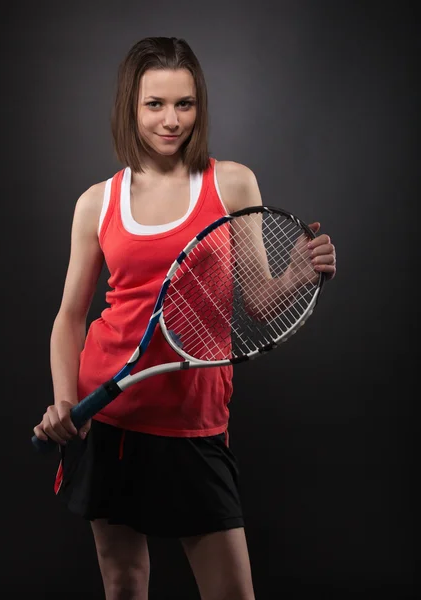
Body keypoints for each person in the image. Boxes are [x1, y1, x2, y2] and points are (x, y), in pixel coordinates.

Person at [33, 36, 337, 600]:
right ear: (131, 105)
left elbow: (258, 303)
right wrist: (64, 402)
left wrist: (298, 274)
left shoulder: (232, 184)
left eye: (185, 104)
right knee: (124, 584)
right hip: (109, 417)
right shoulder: (98, 201)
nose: (171, 121)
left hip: (195, 423)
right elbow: (69, 318)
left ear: (200, 106)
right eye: (155, 104)